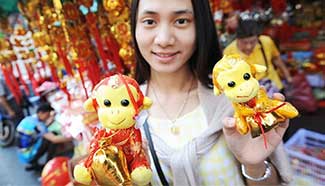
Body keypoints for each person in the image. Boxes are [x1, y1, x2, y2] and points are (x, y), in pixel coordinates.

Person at [131, 0, 292, 185]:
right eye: (150, 21)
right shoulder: (124, 110)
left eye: (181, 21)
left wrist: (253, 166)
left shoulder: (235, 98)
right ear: (134, 27)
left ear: (201, 26)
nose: (164, 39)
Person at [223, 17, 292, 95]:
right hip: (249, 93)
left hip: (274, 88)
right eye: (244, 43)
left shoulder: (266, 42)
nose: (248, 46)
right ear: (237, 39)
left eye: (252, 42)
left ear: (258, 37)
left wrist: (288, 78)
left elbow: (277, 59)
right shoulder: (228, 52)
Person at [16, 102, 73, 171]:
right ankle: (48, 164)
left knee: (48, 135)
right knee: (52, 136)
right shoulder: (38, 125)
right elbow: (54, 139)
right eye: (47, 114)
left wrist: (51, 118)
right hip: (28, 154)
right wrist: (73, 137)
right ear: (40, 113)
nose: (48, 117)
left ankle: (35, 162)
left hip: (22, 153)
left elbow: (42, 128)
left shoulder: (30, 119)